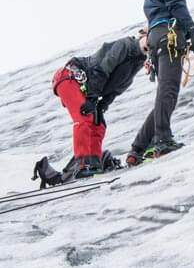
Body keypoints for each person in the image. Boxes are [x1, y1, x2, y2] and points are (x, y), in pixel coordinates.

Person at [127, 0, 194, 165]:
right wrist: (193, 31)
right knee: (168, 91)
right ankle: (162, 141)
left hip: (159, 35)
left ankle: (138, 148)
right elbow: (175, 3)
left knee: (166, 94)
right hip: (168, 34)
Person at [42, 30, 149, 183]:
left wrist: (102, 104)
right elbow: (103, 69)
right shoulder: (125, 45)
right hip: (69, 76)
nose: (149, 47)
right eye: (148, 41)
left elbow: (117, 87)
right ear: (143, 36)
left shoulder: (137, 63)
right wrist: (92, 99)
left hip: (89, 88)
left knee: (99, 125)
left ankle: (93, 164)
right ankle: (83, 165)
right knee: (84, 119)